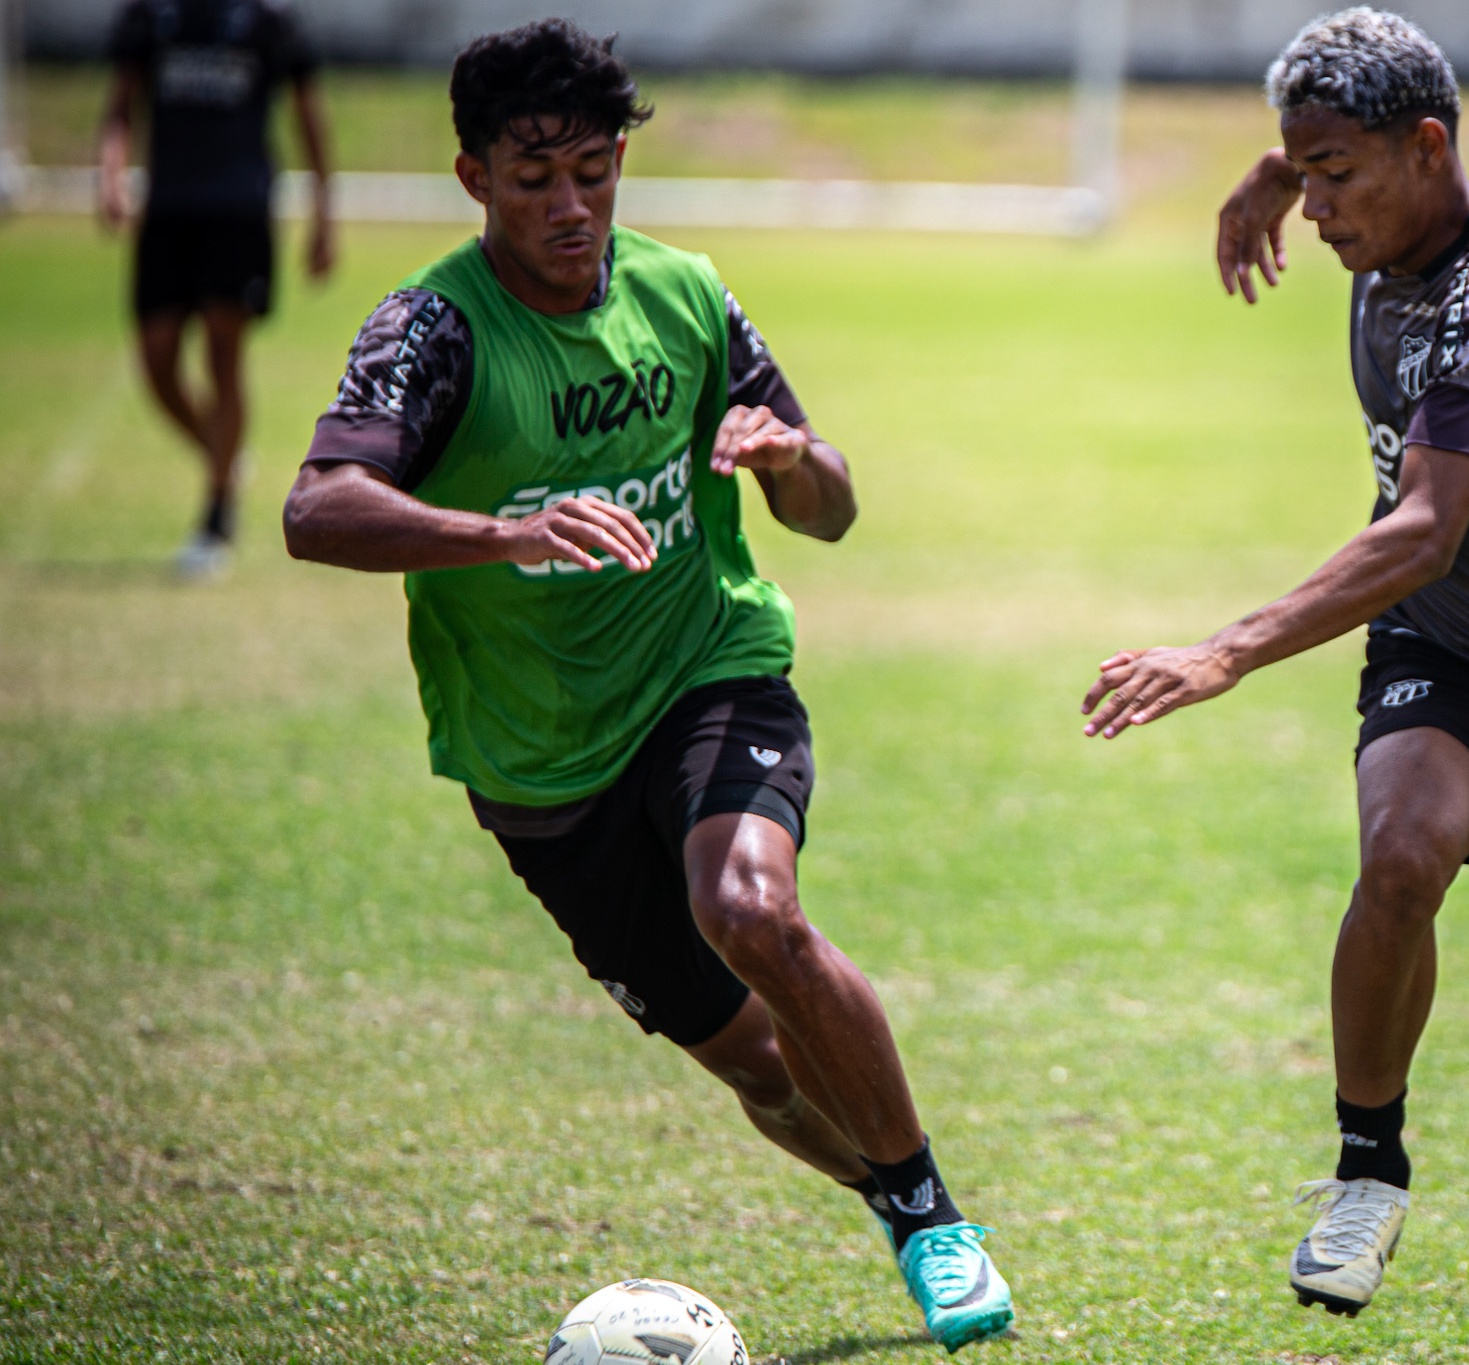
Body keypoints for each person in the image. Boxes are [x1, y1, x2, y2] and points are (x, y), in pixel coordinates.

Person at [280, 21, 1012, 1353]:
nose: (571, 206)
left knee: (749, 903)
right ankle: (885, 1183)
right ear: (472, 178)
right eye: (534, 178)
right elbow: (319, 509)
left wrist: (791, 454)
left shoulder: (683, 292)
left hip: (707, 669)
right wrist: (499, 530)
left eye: (595, 172)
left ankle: (931, 1218)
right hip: (539, 764)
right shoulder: (432, 331)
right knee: (765, 1073)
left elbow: (829, 508)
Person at [1079, 11, 1469, 1363]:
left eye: (1338, 175)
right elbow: (1438, 574)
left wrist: (1225, 650)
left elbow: (1423, 526)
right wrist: (1278, 169)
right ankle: (1370, 1168)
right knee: (1401, 851)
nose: (1317, 211)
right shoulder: (1379, 205)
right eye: (1305, 176)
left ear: (1431, 150)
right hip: (1455, 647)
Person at [99, 0, 335, 580]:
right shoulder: (151, 17)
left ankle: (216, 516)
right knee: (156, 361)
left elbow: (308, 110)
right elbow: (121, 106)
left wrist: (324, 211)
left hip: (239, 209)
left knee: (222, 357)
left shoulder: (267, 20)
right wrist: (109, 173)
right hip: (169, 208)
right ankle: (223, 452)